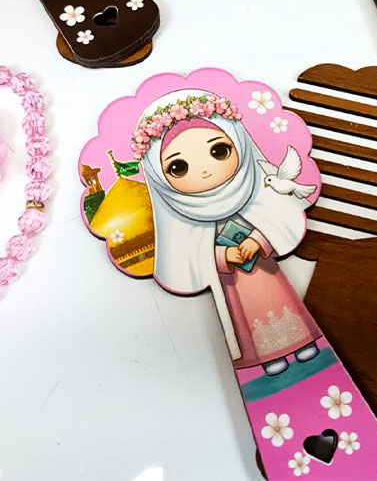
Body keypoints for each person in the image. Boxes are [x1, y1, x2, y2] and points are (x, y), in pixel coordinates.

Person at [133, 90, 320, 376]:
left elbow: (275, 219)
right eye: (178, 167)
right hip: (231, 281)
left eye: (219, 151)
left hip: (265, 270)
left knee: (282, 302)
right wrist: (223, 255)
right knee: (247, 316)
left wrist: (258, 240)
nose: (205, 171)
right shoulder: (184, 218)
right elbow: (191, 253)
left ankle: (302, 342)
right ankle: (269, 357)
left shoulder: (254, 191)